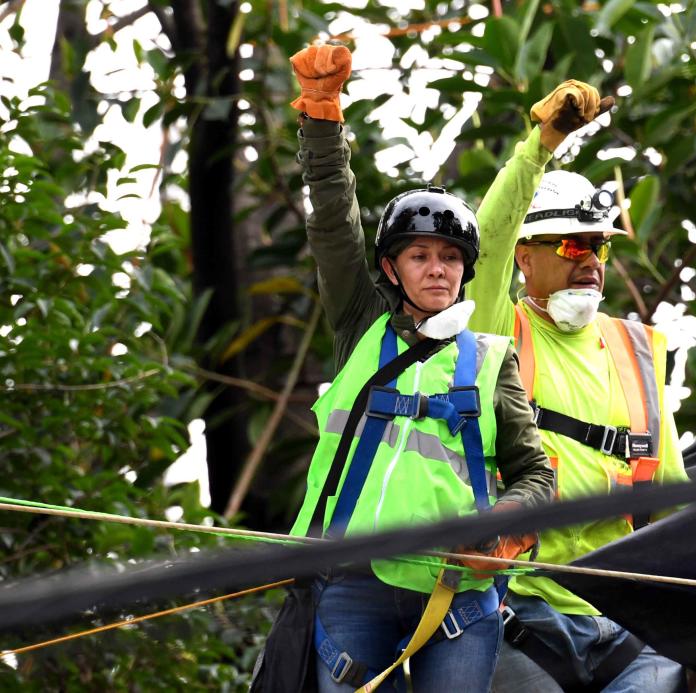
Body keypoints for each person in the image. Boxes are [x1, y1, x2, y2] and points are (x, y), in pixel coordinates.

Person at [283, 43, 556, 692]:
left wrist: (504, 527)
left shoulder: (491, 359)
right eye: (419, 256)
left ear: (466, 268)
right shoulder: (362, 329)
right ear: (390, 269)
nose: (437, 269)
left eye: (450, 257)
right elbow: (331, 223)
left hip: (456, 593)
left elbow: (535, 472)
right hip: (354, 581)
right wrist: (322, 120)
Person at [465, 81, 690, 692]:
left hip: (628, 623)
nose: (590, 261)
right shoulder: (495, 334)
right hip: (519, 612)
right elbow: (480, 248)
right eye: (571, 245)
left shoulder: (639, 349)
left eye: (599, 248)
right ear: (524, 258)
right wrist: (542, 146)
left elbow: (674, 501)